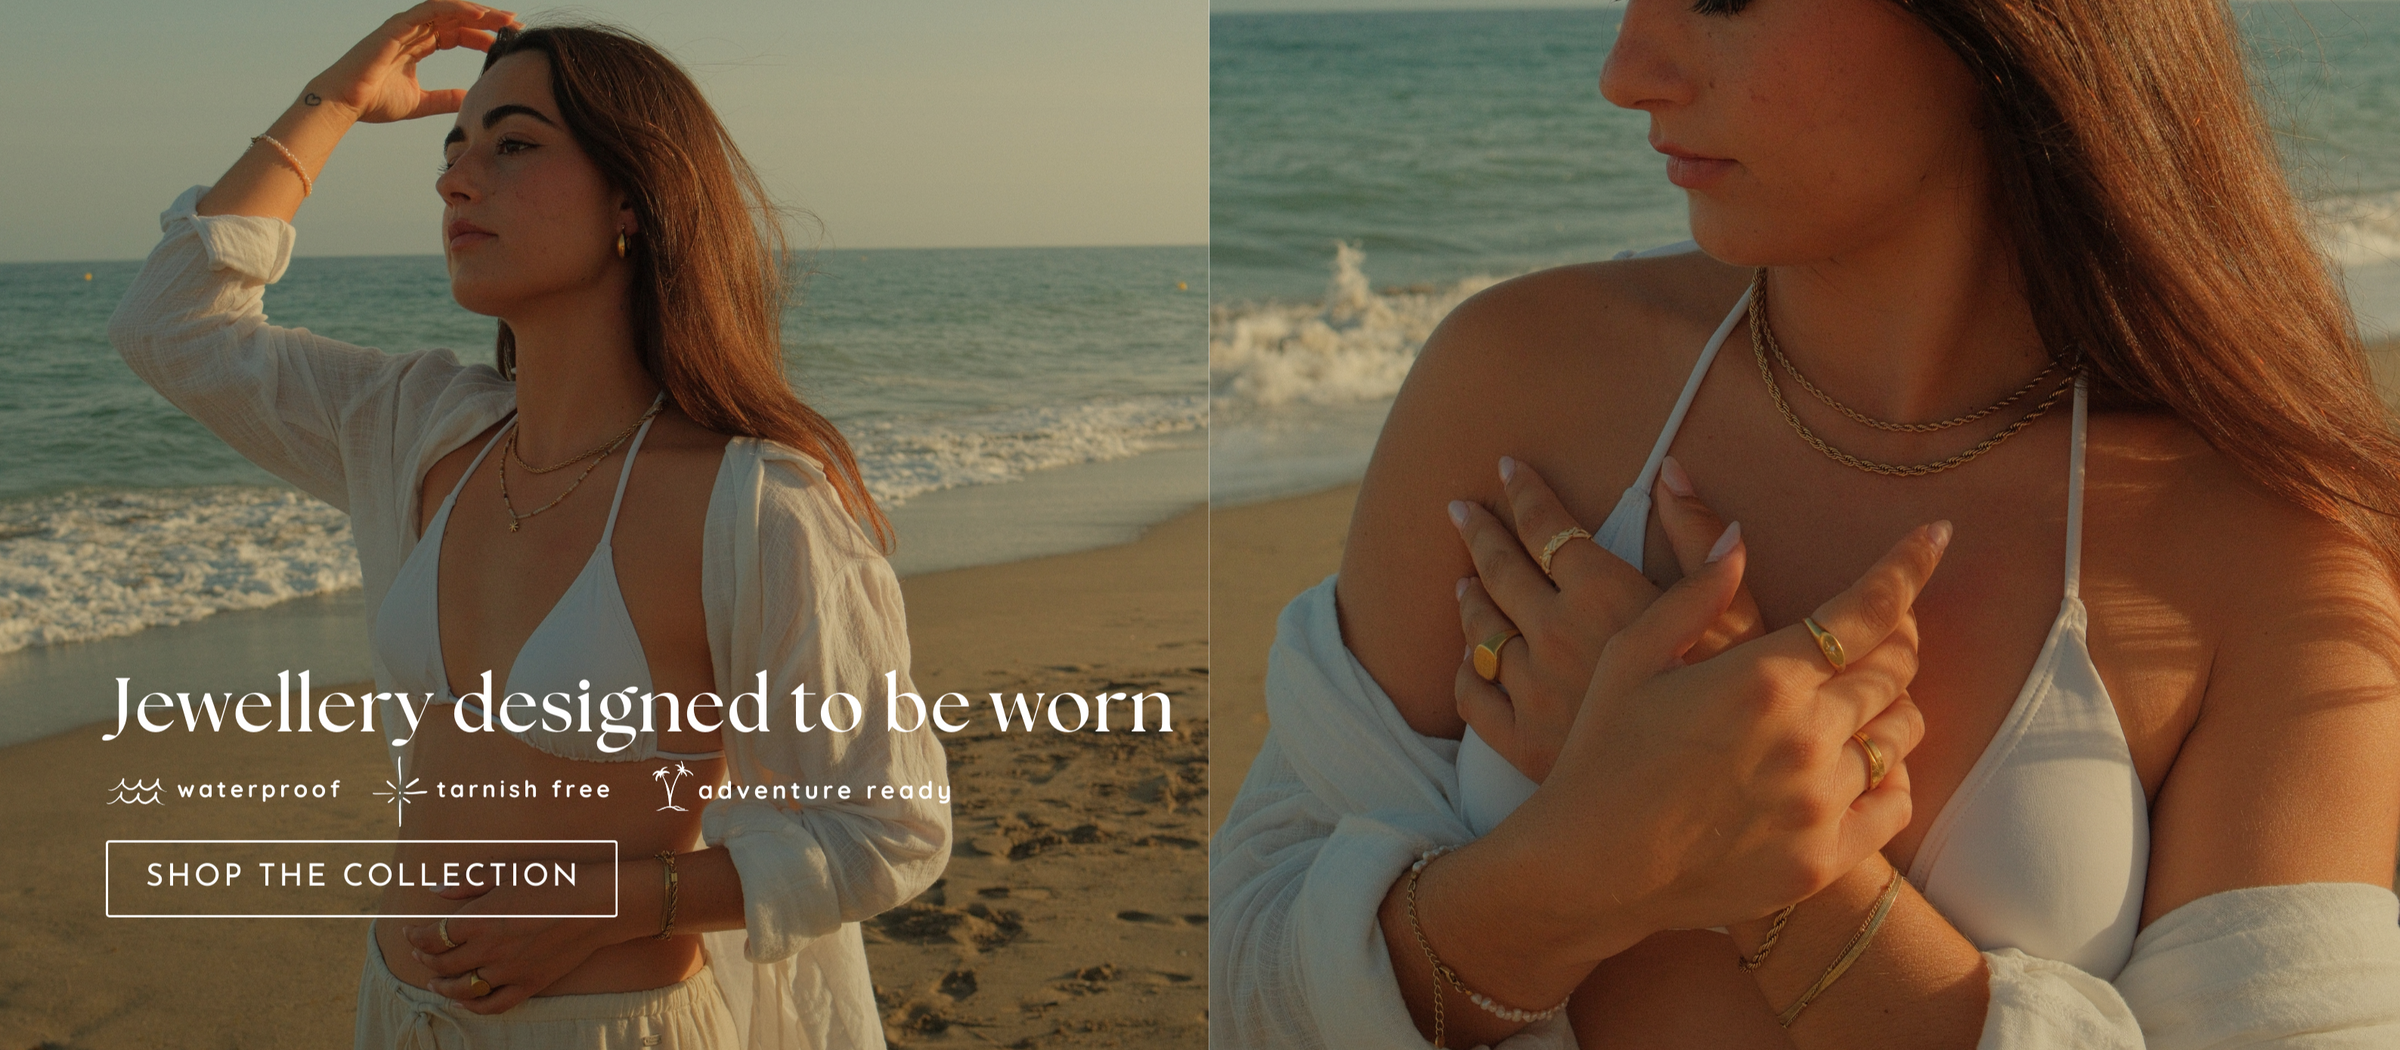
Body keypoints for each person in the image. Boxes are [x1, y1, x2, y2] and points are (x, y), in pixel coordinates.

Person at [1209, 0, 2400, 1047]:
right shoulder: (1524, 385)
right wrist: (1585, 861)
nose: (1626, 71)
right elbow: (1250, 981)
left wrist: (1780, 873)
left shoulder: (2270, 542)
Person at [106, 4, 950, 1047]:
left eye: (513, 147)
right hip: (397, 1014)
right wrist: (331, 101)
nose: (456, 180)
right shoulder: (415, 432)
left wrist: (613, 903)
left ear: (633, 198)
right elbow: (171, 323)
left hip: (607, 1026)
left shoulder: (756, 505)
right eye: (454, 152)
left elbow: (889, 829)